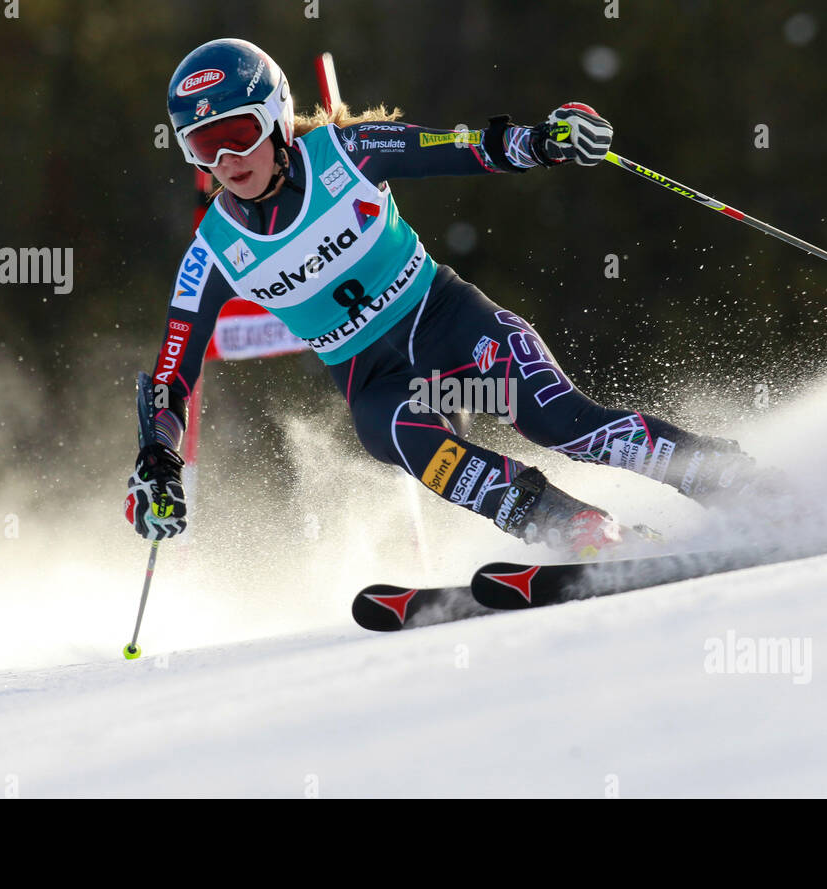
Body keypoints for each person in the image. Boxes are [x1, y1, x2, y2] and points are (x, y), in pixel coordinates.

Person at [126, 38, 765, 558]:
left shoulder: (347, 153)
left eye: (239, 132)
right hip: (376, 377)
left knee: (563, 423)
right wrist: (158, 458)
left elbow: (459, 149)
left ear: (275, 118)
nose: (230, 159)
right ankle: (583, 533)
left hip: (450, 323)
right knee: (410, 441)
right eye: (206, 145)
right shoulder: (211, 253)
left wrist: (546, 141)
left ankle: (732, 480)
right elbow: (173, 374)